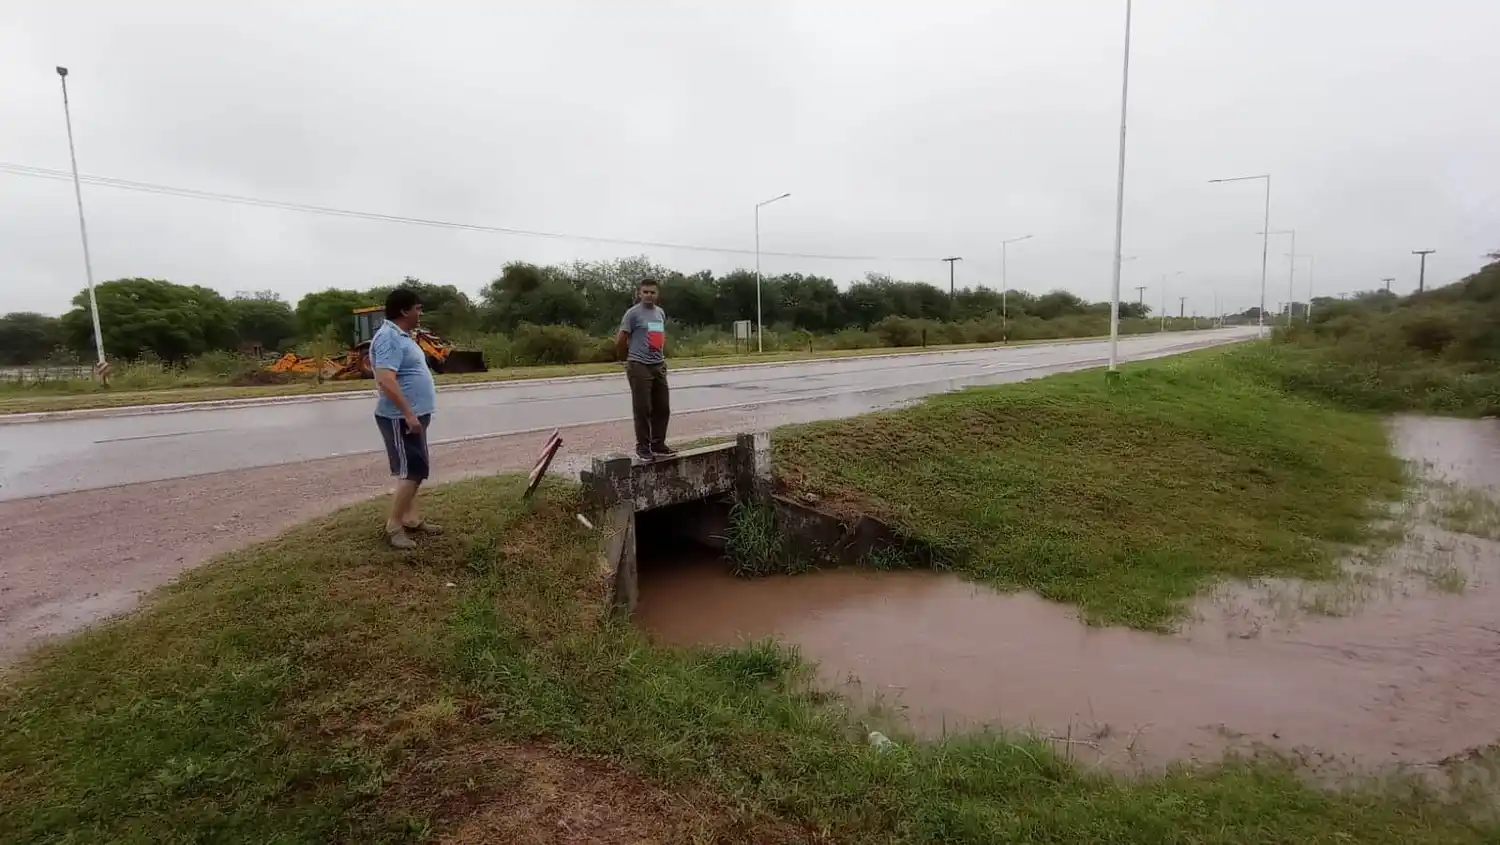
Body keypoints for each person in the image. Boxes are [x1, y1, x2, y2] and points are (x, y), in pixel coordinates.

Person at [371, 287, 442, 548]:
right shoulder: (389, 337)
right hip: (400, 418)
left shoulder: (401, 336)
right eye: (417, 308)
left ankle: (411, 520)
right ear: (404, 310)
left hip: (413, 416)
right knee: (412, 470)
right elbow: (386, 380)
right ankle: (394, 526)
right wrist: (408, 413)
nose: (420, 312)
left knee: (415, 469)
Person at [616, 277, 676, 461]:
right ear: (639, 294)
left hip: (657, 365)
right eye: (645, 292)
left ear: (657, 294)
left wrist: (661, 359)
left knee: (663, 408)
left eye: (652, 292)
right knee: (643, 408)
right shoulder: (632, 314)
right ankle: (642, 447)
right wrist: (626, 359)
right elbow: (620, 339)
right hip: (639, 365)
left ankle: (658, 444)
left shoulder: (660, 313)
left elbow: (656, 339)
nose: (649, 295)